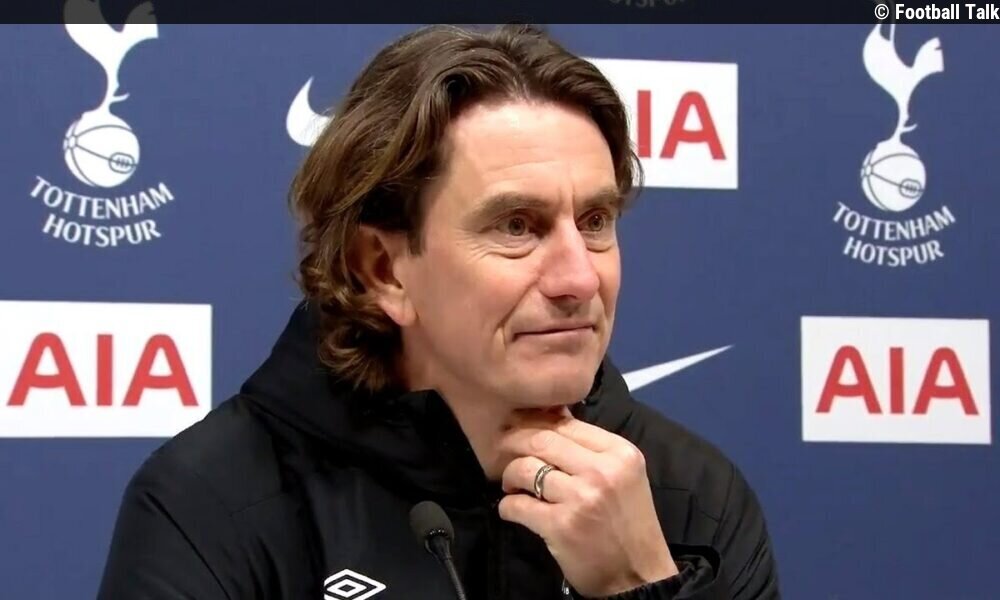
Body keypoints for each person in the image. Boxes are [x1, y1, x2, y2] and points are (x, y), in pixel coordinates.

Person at [97, 24, 780, 599]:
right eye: (517, 226)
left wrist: (640, 586)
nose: (579, 278)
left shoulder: (693, 497)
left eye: (595, 221)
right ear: (383, 270)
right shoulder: (212, 504)